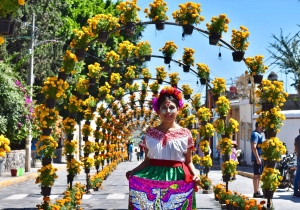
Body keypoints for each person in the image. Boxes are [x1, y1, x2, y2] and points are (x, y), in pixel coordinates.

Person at [125, 86, 200, 209]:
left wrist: (196, 175)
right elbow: (147, 161)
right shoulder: (150, 134)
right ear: (158, 111)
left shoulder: (185, 134)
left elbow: (189, 161)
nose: (168, 112)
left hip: (177, 179)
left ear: (178, 109)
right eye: (163, 108)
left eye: (171, 107)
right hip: (153, 177)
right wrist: (133, 172)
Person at [251, 122, 264, 198]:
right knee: (256, 175)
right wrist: (257, 157)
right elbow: (253, 146)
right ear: (259, 126)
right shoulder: (255, 134)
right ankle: (255, 192)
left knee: (258, 175)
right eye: (262, 126)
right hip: (256, 157)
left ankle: (257, 191)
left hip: (260, 157)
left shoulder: (259, 134)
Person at [293, 129, 300, 198]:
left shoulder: (296, 138)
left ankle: (295, 192)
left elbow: (295, 148)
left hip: (299, 157)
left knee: (297, 175)